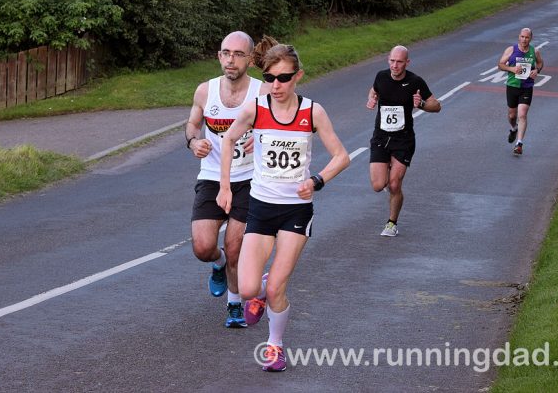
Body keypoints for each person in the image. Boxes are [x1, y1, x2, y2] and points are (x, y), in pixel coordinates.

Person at [217, 37, 350, 372]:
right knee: (248, 288)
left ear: (298, 76)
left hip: (295, 210)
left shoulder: (311, 111)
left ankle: (275, 347)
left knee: (278, 287)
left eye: (284, 78)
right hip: (260, 207)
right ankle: (259, 290)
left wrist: (316, 181)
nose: (276, 85)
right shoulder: (257, 108)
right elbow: (229, 137)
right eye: (270, 78)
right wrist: (225, 187)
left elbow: (341, 157)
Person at [186, 31, 269, 328]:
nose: (230, 60)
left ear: (249, 59)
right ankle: (218, 265)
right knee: (202, 247)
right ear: (219, 56)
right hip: (211, 176)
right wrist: (194, 142)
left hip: (249, 179)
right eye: (225, 53)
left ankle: (235, 305)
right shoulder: (205, 91)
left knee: (236, 246)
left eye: (237, 54)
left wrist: (260, 140)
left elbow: (276, 128)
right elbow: (193, 124)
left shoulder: (261, 93)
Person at [366, 45, 440, 237]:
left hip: (403, 140)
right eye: (392, 61)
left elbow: (436, 105)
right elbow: (373, 90)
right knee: (377, 185)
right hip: (381, 137)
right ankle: (389, 173)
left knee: (394, 185)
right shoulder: (381, 76)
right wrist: (372, 99)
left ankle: (392, 223)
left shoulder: (415, 81)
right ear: (388, 60)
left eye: (399, 62)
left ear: (407, 62)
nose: (395, 65)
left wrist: (422, 104)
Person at [498, 27, 544, 156]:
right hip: (512, 86)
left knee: (522, 115)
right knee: (512, 116)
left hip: (527, 87)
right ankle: (513, 128)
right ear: (519, 37)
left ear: (531, 38)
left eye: (527, 37)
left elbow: (540, 63)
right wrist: (512, 69)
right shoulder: (511, 50)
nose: (524, 39)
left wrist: (537, 70)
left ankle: (519, 144)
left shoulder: (535, 51)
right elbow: (500, 65)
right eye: (522, 37)